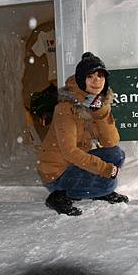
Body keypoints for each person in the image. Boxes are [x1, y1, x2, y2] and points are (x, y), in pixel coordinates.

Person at [37, 52, 128, 216]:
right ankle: (59, 195)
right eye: (90, 76)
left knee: (116, 154)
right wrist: (104, 169)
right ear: (81, 80)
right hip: (58, 173)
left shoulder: (94, 103)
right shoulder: (66, 108)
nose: (96, 81)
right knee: (108, 184)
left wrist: (101, 112)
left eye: (101, 76)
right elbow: (69, 152)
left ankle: (97, 191)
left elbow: (111, 141)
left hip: (73, 165)